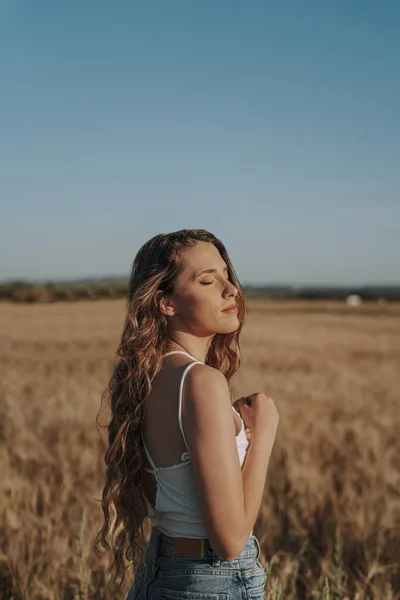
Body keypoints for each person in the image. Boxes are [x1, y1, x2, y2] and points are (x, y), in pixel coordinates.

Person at [95, 228, 279, 599]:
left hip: (160, 573)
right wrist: (263, 435)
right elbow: (229, 541)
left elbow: (163, 497)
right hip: (214, 581)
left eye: (228, 276)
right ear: (166, 303)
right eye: (209, 280)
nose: (231, 290)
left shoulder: (145, 377)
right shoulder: (201, 382)